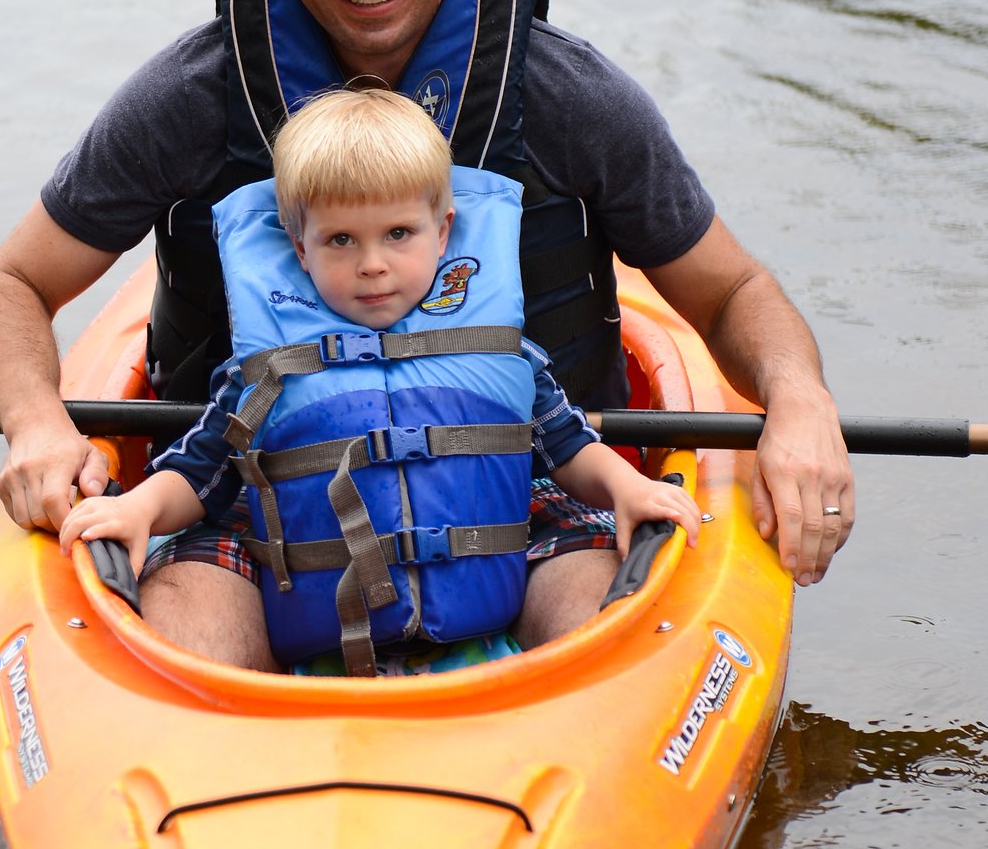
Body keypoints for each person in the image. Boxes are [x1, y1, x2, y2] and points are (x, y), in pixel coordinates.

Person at [0, 0, 853, 672]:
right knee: (187, 642)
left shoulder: (566, 95)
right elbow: (8, 287)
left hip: (534, 482)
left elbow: (733, 289)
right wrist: (37, 423)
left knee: (606, 632)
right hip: (250, 493)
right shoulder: (191, 98)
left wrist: (799, 399)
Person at [57, 88, 702, 673]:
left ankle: (587, 704)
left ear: (443, 231)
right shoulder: (263, 373)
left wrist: (627, 487)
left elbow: (567, 448)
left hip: (495, 550)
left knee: (596, 577)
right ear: (299, 248)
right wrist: (136, 508)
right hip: (304, 569)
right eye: (340, 240)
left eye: (398, 234)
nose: (373, 265)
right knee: (191, 581)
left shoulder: (505, 355)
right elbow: (199, 474)